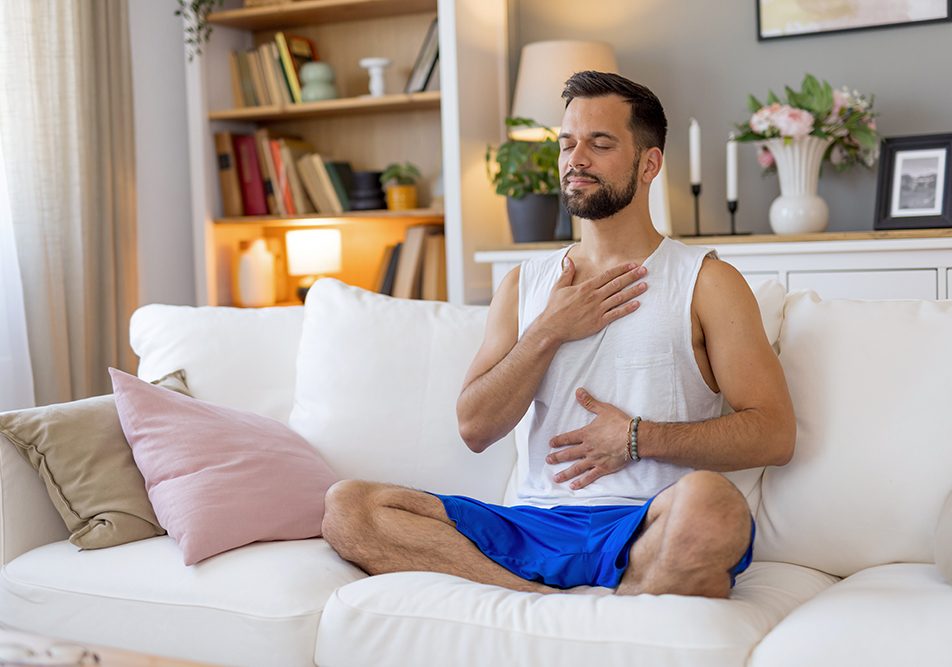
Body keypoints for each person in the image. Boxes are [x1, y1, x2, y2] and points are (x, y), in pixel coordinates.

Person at [321, 71, 795, 598]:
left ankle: (612, 585)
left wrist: (638, 439)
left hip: (645, 522)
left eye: (600, 144)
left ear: (649, 164)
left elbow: (774, 434)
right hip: (532, 524)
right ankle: (549, 601)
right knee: (349, 507)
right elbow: (474, 427)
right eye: (567, 144)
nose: (576, 159)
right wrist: (548, 330)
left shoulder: (705, 280)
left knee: (715, 505)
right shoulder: (523, 285)